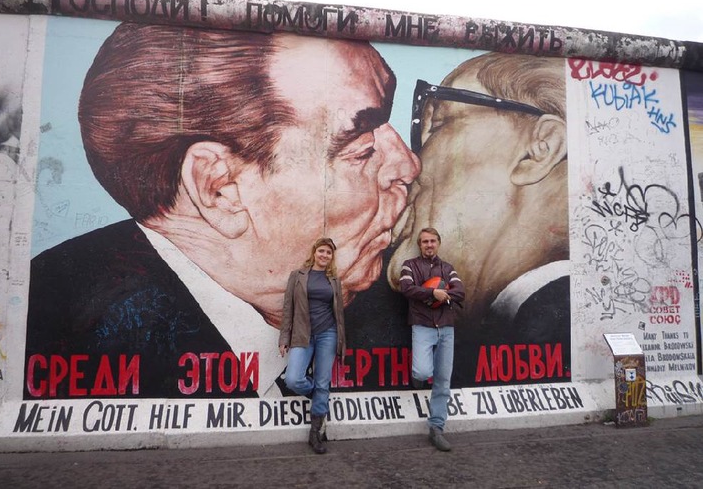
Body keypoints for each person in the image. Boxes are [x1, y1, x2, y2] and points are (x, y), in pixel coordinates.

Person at [25, 22, 419, 399]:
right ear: (219, 188)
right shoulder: (58, 325)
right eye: (361, 149)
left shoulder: (385, 306)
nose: (407, 166)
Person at [389, 52, 569, 386]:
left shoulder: (557, 322)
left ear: (539, 149)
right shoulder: (522, 320)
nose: (412, 164)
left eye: (440, 123)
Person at [398, 227, 464, 451]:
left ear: (438, 243)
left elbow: (460, 291)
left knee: (443, 380)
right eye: (424, 241)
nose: (429, 245)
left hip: (446, 327)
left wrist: (440, 295)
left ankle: (437, 427)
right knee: (423, 372)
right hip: (423, 325)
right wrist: (431, 293)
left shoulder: (448, 268)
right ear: (420, 244)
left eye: (432, 241)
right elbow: (407, 288)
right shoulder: (410, 265)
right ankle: (417, 378)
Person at [279, 237, 345, 454]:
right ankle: (318, 394)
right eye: (322, 251)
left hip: (328, 334)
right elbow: (288, 308)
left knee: (323, 379)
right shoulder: (297, 276)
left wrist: (341, 339)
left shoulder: (334, 280)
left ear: (331, 257)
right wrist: (284, 339)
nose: (324, 255)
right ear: (314, 252)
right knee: (293, 378)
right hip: (302, 334)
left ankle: (315, 433)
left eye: (329, 253)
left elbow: (339, 314)